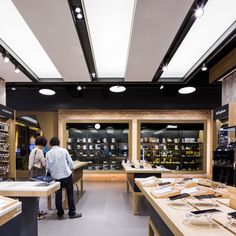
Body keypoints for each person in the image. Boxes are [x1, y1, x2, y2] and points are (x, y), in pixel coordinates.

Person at [46, 137, 82, 219]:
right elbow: (71, 163)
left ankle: (60, 213)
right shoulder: (64, 150)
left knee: (58, 195)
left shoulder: (48, 153)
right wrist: (71, 169)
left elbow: (47, 167)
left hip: (56, 177)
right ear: (59, 143)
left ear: (50, 144)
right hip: (66, 175)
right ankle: (72, 213)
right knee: (70, 194)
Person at [28, 136, 47, 220]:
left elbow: (30, 164)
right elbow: (43, 163)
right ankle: (36, 214)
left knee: (33, 194)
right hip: (37, 174)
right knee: (37, 195)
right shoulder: (39, 151)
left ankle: (36, 211)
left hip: (31, 173)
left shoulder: (33, 150)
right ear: (43, 144)